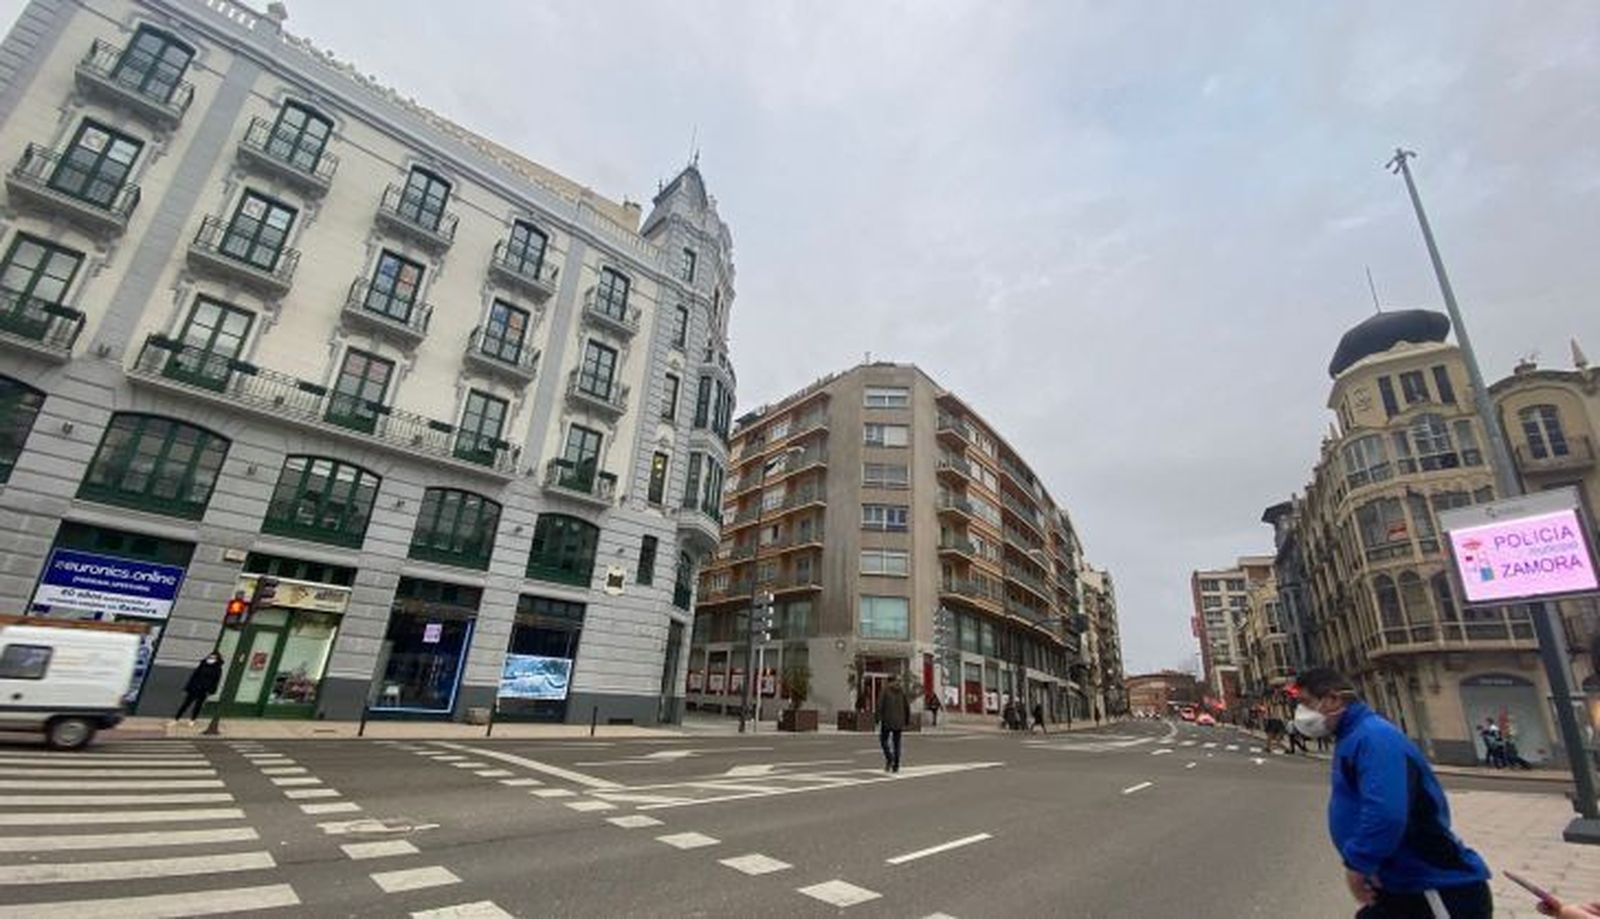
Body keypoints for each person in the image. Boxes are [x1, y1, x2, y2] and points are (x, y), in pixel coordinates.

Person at [1292, 667, 1492, 918]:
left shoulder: (1374, 737)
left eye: (1305, 703)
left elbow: (1387, 813)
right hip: (1400, 885)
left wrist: (1358, 864)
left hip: (1435, 888)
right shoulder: (1354, 736)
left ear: (1333, 700)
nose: (1301, 713)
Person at [174, 651, 224, 725]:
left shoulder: (217, 668)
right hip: (195, 687)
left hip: (204, 689)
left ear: (217, 659)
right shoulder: (203, 664)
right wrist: (188, 686)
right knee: (186, 704)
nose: (211, 659)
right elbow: (194, 675)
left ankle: (192, 720)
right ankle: (176, 719)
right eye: (210, 657)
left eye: (214, 658)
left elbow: (216, 680)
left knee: (198, 705)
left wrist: (211, 690)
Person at [877, 676, 911, 773]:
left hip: (887, 720)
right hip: (899, 721)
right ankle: (896, 765)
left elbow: (880, 705)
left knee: (883, 740)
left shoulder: (885, 691)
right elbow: (906, 706)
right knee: (897, 744)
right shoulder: (901, 691)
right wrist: (907, 720)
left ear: (888, 681)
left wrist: (877, 718)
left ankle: (889, 757)